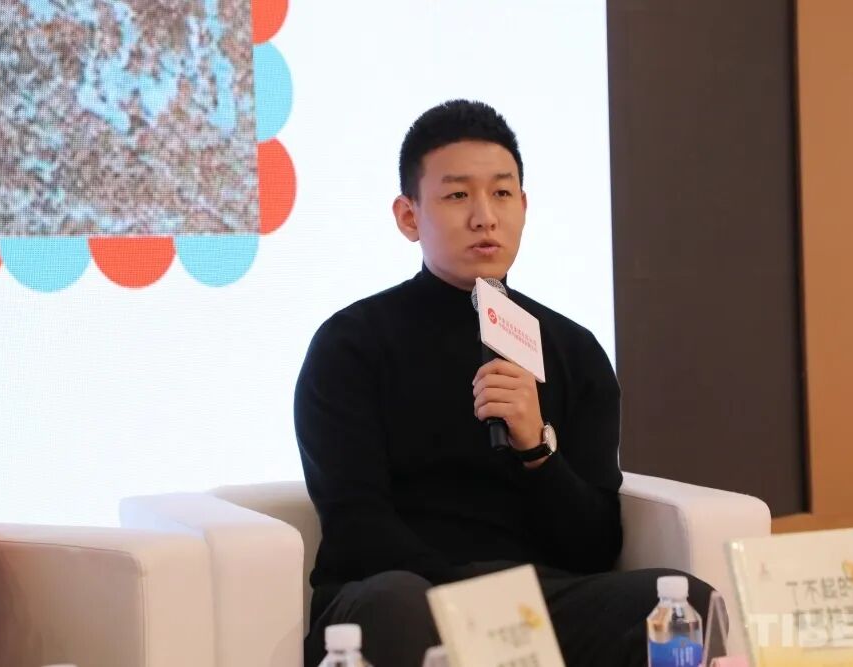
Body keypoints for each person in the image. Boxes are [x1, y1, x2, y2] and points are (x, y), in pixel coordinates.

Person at [295, 99, 716, 667]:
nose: (484, 217)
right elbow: (356, 526)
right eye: (457, 196)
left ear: (523, 206)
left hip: (533, 604)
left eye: (501, 193)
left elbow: (594, 547)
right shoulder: (350, 344)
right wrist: (477, 605)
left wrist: (537, 449)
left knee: (684, 604)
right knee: (399, 605)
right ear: (408, 216)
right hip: (395, 594)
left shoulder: (573, 350)